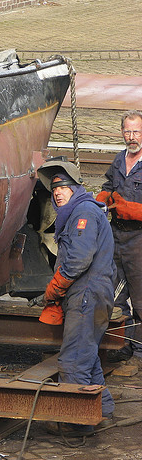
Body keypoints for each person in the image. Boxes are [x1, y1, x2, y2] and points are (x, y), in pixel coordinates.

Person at [37, 159, 116, 437]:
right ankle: (102, 411)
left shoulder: (83, 212)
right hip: (89, 293)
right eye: (54, 189)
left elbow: (79, 259)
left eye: (64, 187)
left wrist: (56, 285)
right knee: (87, 355)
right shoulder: (78, 211)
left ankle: (77, 422)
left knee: (72, 360)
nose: (58, 193)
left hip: (87, 293)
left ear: (76, 188)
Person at [96, 110, 142, 366]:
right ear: (122, 132)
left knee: (141, 297)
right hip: (116, 237)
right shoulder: (118, 159)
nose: (131, 137)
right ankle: (122, 345)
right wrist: (100, 200)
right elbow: (108, 187)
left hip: (139, 240)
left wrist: (132, 210)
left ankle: (140, 351)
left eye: (136, 131)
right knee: (115, 295)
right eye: (127, 131)